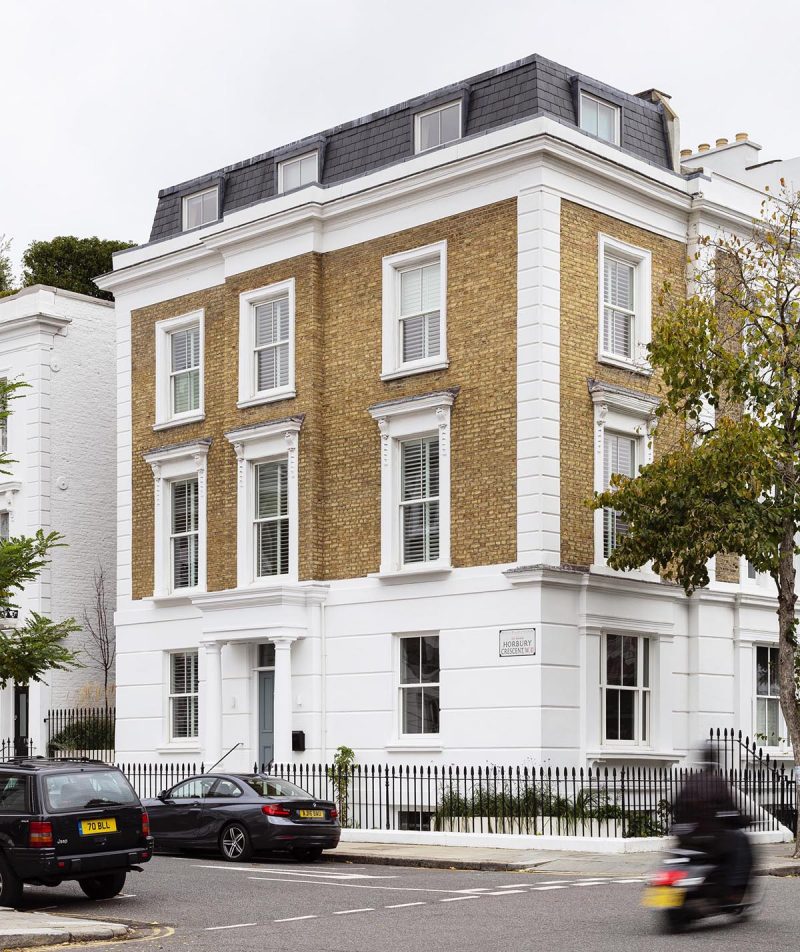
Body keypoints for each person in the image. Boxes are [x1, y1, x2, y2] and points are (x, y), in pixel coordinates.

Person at [672, 742, 753, 904]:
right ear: (716, 761)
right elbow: (732, 812)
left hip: (685, 839)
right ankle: (735, 890)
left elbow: (676, 808)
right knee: (741, 840)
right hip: (710, 841)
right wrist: (744, 820)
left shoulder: (690, 781)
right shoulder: (717, 783)